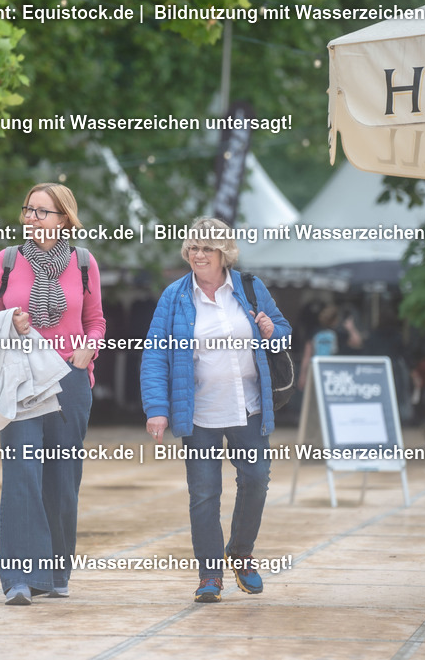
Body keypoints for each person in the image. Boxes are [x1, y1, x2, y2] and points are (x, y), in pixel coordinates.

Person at [141, 217, 292, 603]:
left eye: (207, 248)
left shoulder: (250, 287)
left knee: (256, 480)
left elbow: (283, 331)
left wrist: (272, 331)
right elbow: (155, 354)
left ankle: (240, 552)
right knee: (205, 494)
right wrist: (157, 409)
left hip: (249, 408)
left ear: (224, 252)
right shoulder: (174, 296)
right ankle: (210, 575)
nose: (198, 255)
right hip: (199, 413)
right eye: (193, 248)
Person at [0, 183, 106, 606]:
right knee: (22, 474)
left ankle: (54, 572)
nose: (31, 218)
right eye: (28, 210)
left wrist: (89, 349)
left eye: (42, 211)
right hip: (20, 380)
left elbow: (96, 320)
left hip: (70, 378)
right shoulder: (7, 260)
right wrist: (8, 322)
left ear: (63, 219)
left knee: (62, 480)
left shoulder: (84, 263)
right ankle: (19, 578)